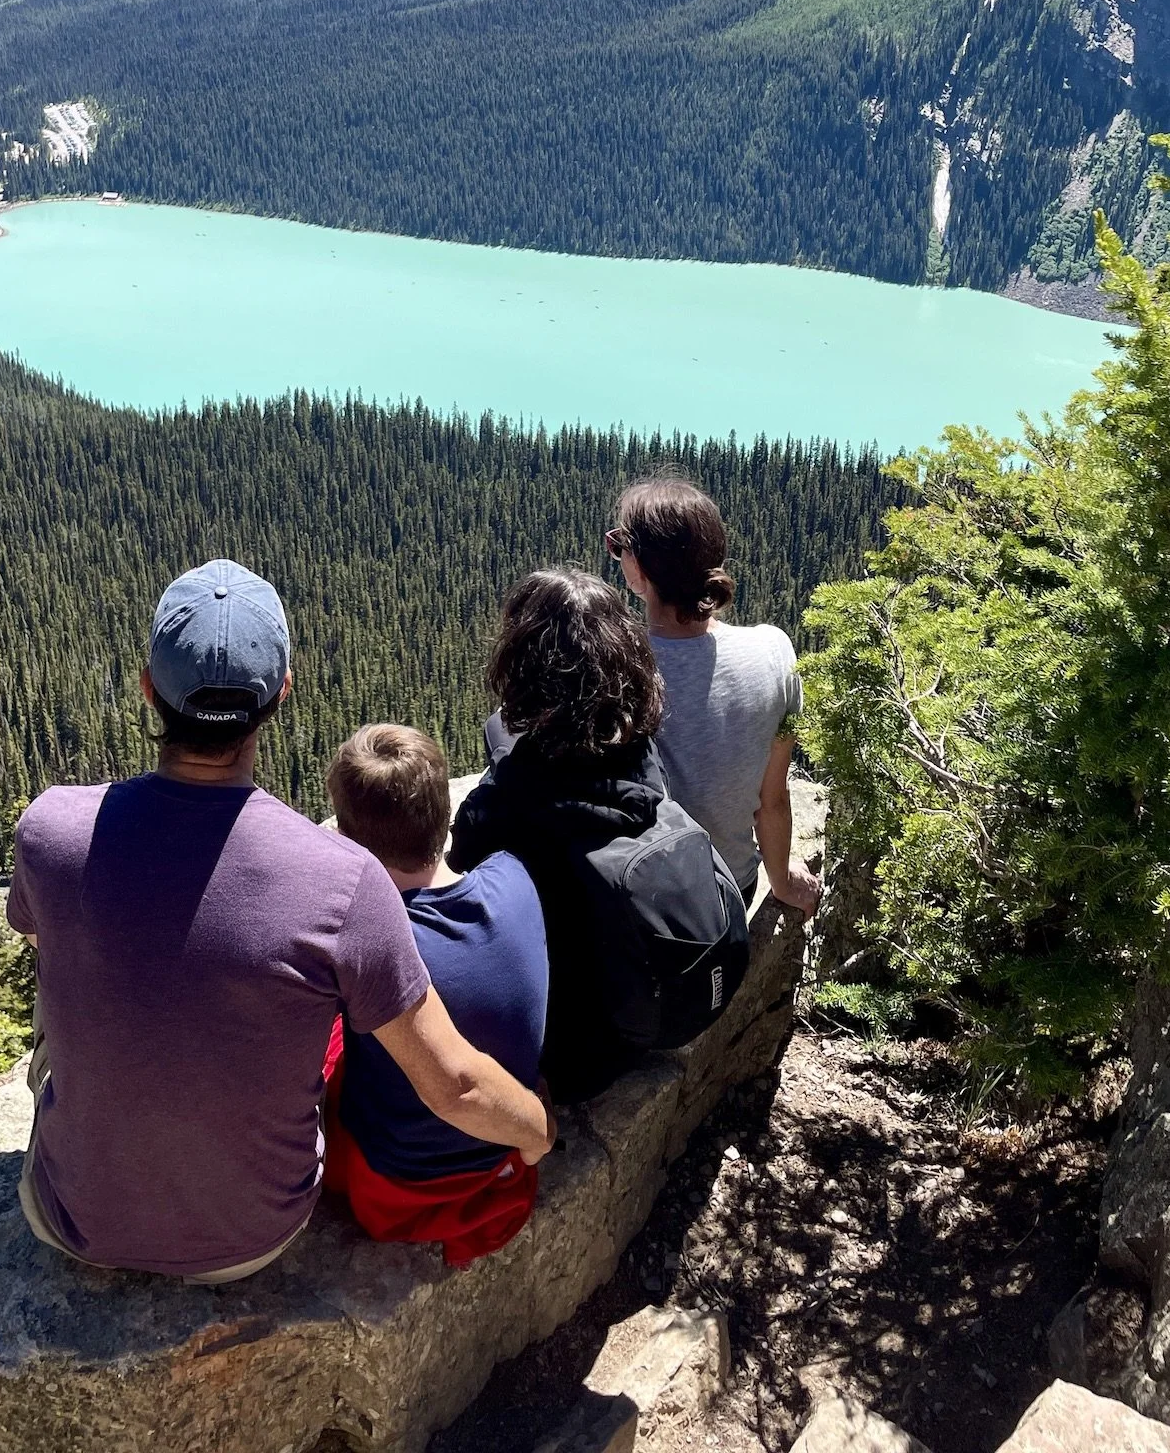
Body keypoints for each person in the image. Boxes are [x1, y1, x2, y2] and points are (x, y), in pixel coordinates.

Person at [6, 558, 553, 1283]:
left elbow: (44, 944)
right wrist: (539, 1130)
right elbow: (454, 1084)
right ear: (280, 694)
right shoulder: (344, 879)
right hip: (256, 1236)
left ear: (147, 689)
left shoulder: (49, 828)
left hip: (73, 1221)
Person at [323, 723, 549, 1268]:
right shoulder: (513, 879)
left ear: (352, 841)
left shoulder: (371, 948)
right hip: (503, 1149)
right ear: (444, 816)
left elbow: (456, 1086)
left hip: (398, 1181)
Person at [450, 567, 671, 1101]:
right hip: (633, 1023)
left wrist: (506, 765)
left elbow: (461, 861)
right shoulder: (644, 761)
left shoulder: (504, 805)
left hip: (564, 1054)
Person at [607, 478, 820, 915]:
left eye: (619, 545)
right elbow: (773, 798)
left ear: (638, 570)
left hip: (643, 904)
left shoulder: (617, 666)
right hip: (730, 894)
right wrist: (780, 881)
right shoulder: (775, 651)